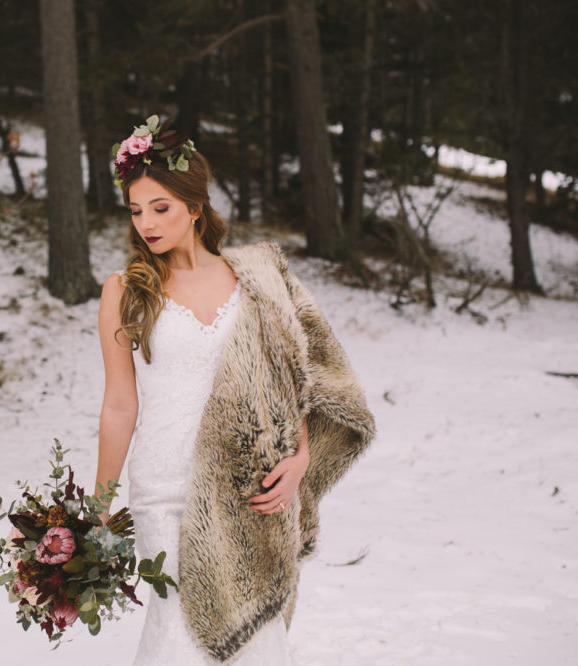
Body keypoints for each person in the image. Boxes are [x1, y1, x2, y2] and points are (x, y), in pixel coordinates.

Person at [93, 116, 376, 665]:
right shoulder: (125, 291)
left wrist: (302, 457)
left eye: (161, 207)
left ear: (195, 207)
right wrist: (100, 508)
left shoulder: (258, 279)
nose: (146, 223)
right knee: (177, 638)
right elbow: (120, 404)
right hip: (166, 493)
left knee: (256, 644)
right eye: (135, 210)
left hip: (250, 486)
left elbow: (289, 377)